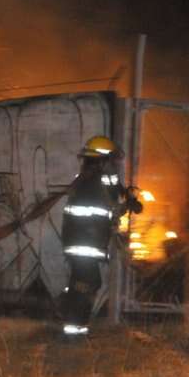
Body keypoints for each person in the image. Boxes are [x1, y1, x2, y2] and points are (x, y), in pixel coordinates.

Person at [58, 135, 142, 335]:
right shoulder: (93, 183)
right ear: (102, 160)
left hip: (79, 241)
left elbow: (109, 200)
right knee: (89, 283)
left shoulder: (87, 179)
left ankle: (69, 313)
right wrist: (128, 204)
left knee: (81, 282)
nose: (114, 164)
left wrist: (125, 197)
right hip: (84, 243)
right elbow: (109, 211)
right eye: (111, 160)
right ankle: (73, 329)